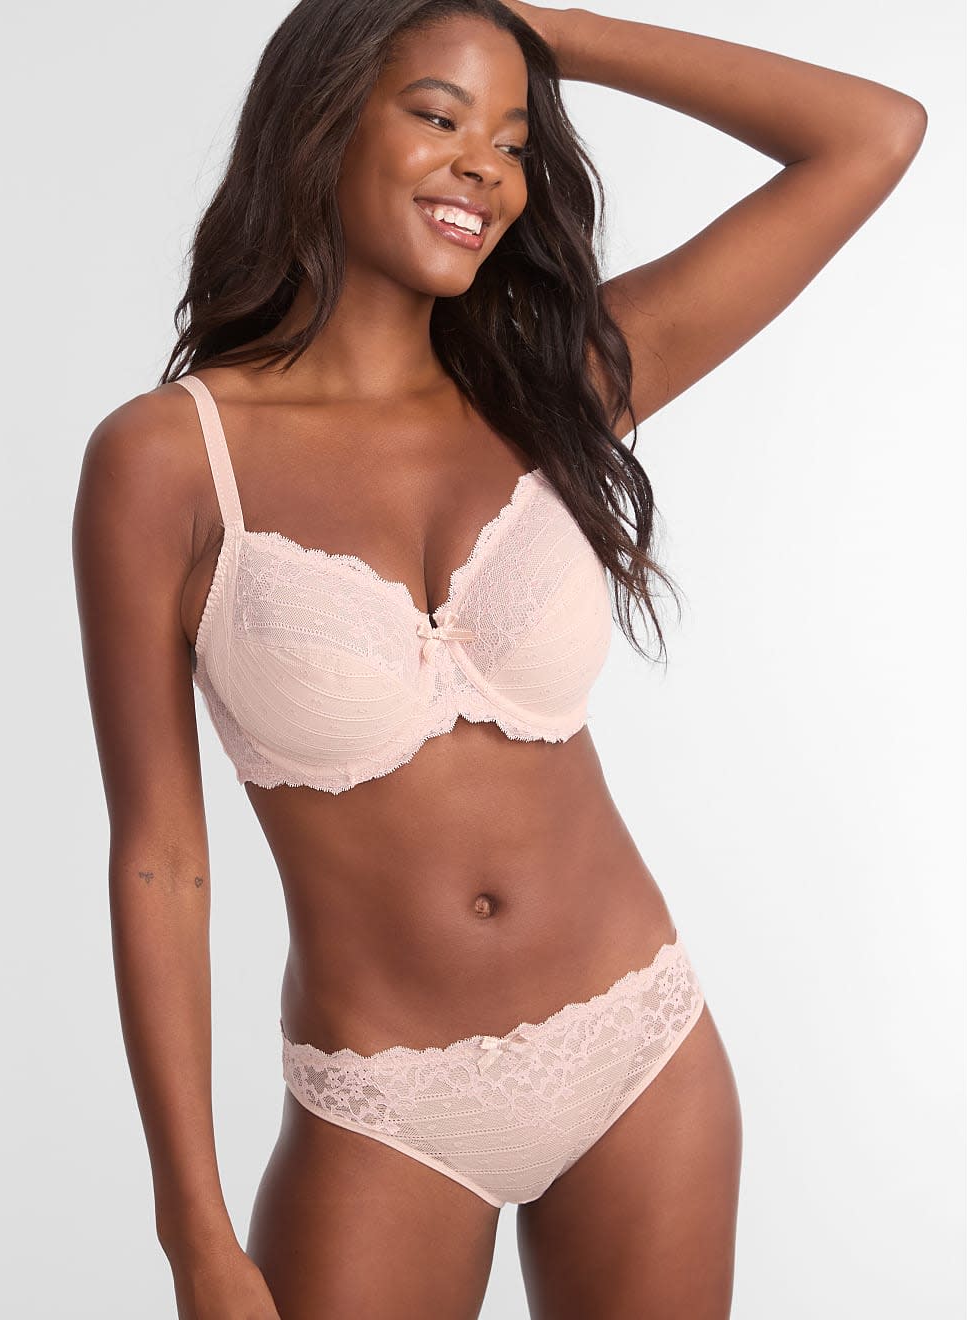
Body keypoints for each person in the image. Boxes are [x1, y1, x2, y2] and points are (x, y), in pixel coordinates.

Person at [72, 1, 925, 1315]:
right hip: (386, 1105)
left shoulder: (554, 388)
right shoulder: (167, 460)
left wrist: (544, 28)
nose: (485, 166)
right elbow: (159, 859)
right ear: (320, 122)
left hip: (636, 1046)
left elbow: (872, 135)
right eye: (438, 115)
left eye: (514, 140)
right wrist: (195, 1234)